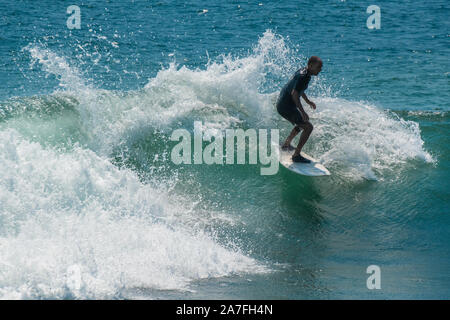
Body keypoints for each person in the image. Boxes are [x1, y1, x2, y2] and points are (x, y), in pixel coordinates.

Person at [276, 56, 322, 163]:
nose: (320, 70)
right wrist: (303, 111)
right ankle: (296, 155)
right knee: (308, 127)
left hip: (284, 104)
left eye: (321, 68)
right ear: (310, 65)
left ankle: (287, 143)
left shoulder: (304, 72)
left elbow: (298, 89)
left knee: (302, 123)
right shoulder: (304, 76)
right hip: (286, 107)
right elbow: (294, 94)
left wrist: (308, 101)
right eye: (318, 67)